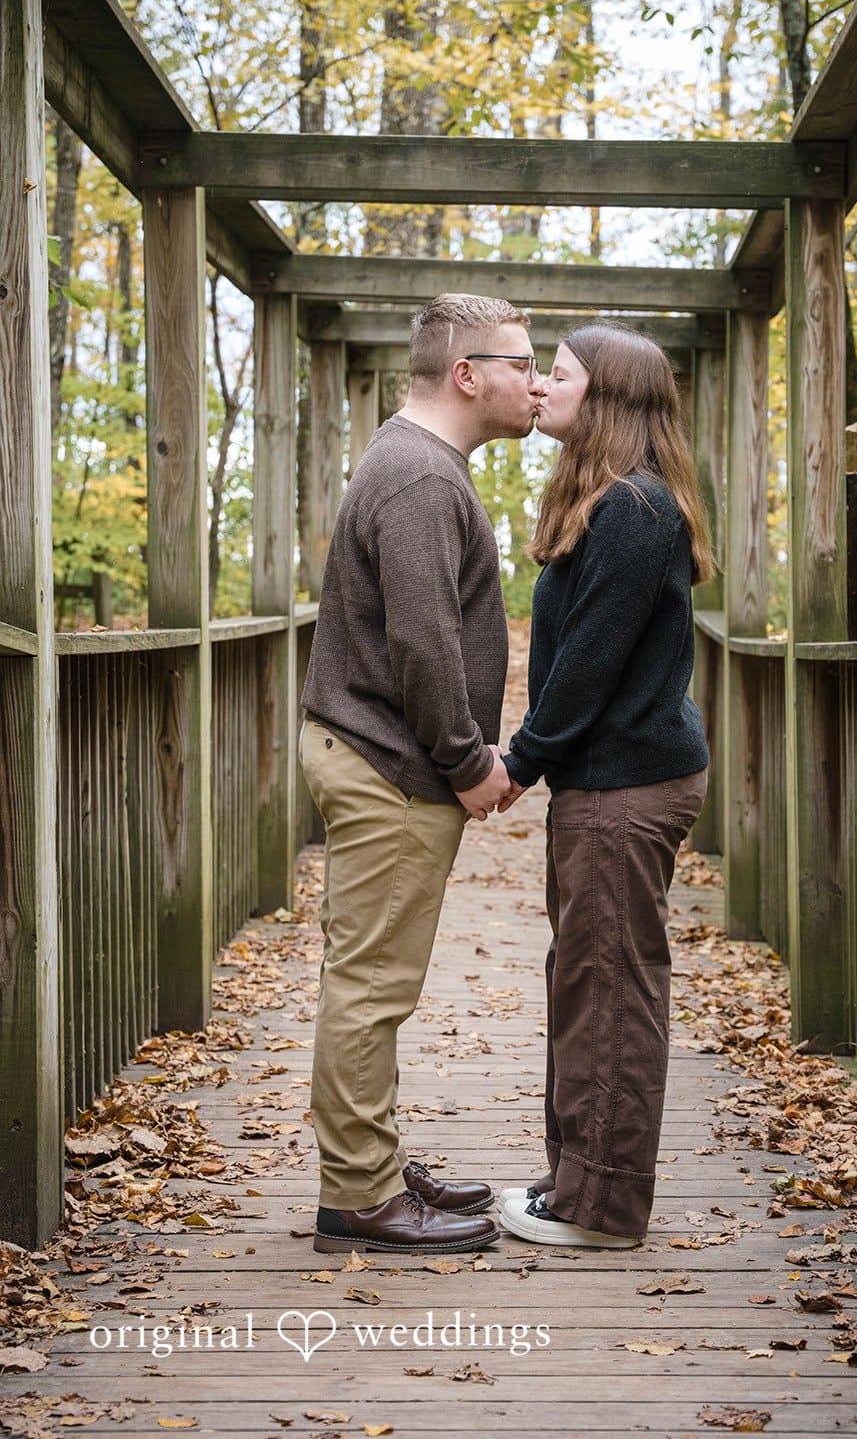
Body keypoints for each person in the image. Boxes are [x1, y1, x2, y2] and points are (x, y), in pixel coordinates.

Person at [298, 293, 545, 1254]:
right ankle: (357, 1197)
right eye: (521, 363)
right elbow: (423, 642)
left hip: (380, 757)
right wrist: (468, 761)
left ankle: (372, 1162)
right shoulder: (418, 479)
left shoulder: (417, 466)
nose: (535, 380)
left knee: (373, 979)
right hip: (392, 767)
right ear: (466, 374)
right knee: (370, 986)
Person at [494, 323, 714, 1250]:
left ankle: (603, 1207)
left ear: (610, 401)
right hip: (606, 782)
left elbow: (586, 666)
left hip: (624, 788)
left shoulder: (635, 509)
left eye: (559, 376)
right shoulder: (612, 502)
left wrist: (517, 761)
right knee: (586, 977)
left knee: (612, 986)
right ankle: (573, 1180)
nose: (540, 389)